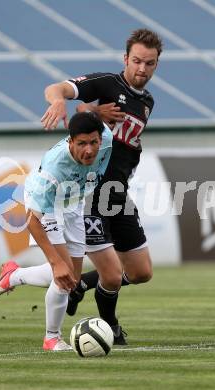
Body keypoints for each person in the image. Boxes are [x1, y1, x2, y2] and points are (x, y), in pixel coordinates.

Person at [41, 28, 163, 345]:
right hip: (91, 193)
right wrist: (72, 106)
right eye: (137, 61)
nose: (142, 69)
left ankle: (80, 284)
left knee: (140, 272)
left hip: (118, 193)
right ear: (126, 59)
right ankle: (109, 327)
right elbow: (57, 89)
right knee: (111, 276)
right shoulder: (109, 84)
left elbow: (123, 146)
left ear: (156, 65)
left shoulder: (147, 101)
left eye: (149, 63)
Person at [0, 112, 113, 351]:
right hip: (46, 206)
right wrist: (55, 261)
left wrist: (99, 111)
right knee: (63, 277)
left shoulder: (107, 139)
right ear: (70, 141)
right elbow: (32, 221)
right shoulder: (53, 169)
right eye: (82, 144)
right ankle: (51, 338)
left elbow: (95, 115)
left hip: (74, 200)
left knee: (70, 278)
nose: (90, 150)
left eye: (94, 142)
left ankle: (13, 276)